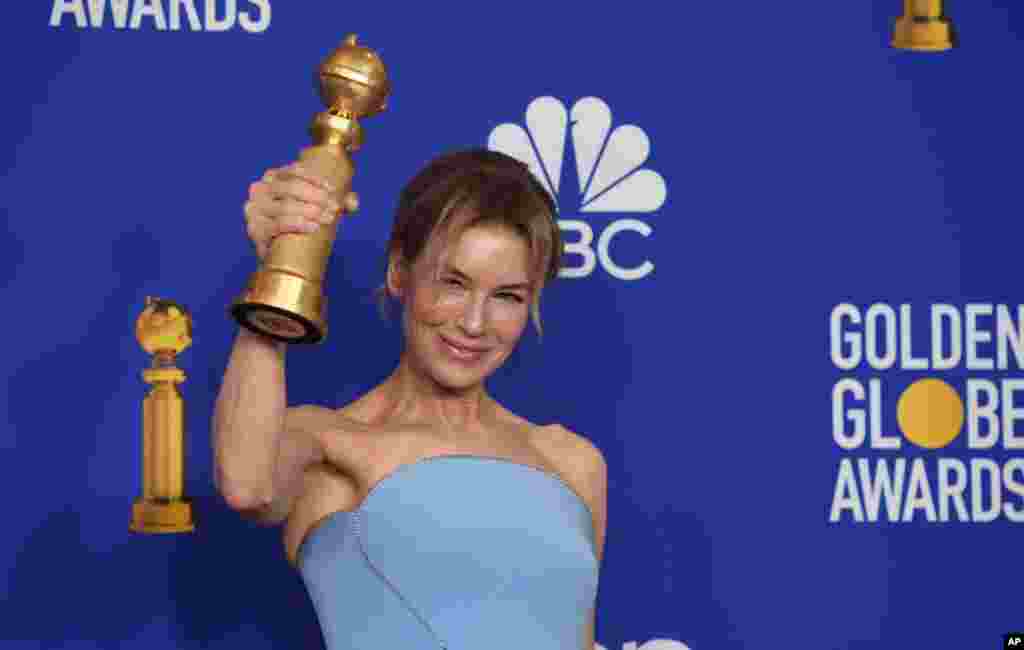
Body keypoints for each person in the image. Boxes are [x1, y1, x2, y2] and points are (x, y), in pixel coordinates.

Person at [213, 149, 607, 650]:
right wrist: (282, 266)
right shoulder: (329, 443)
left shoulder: (573, 463)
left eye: (507, 296)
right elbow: (248, 487)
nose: (474, 323)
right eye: (453, 283)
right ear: (400, 273)